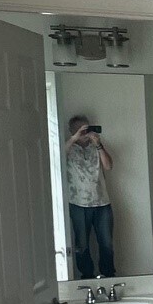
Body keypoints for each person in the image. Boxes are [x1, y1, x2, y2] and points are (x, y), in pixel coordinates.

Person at [63, 114, 117, 278]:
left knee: (106, 243)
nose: (87, 132)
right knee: (82, 244)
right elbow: (55, 158)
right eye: (83, 129)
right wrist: (74, 139)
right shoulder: (68, 148)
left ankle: (108, 275)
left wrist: (99, 145)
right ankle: (86, 276)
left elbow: (108, 166)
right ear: (74, 131)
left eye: (88, 128)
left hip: (102, 202)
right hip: (78, 203)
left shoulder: (96, 147)